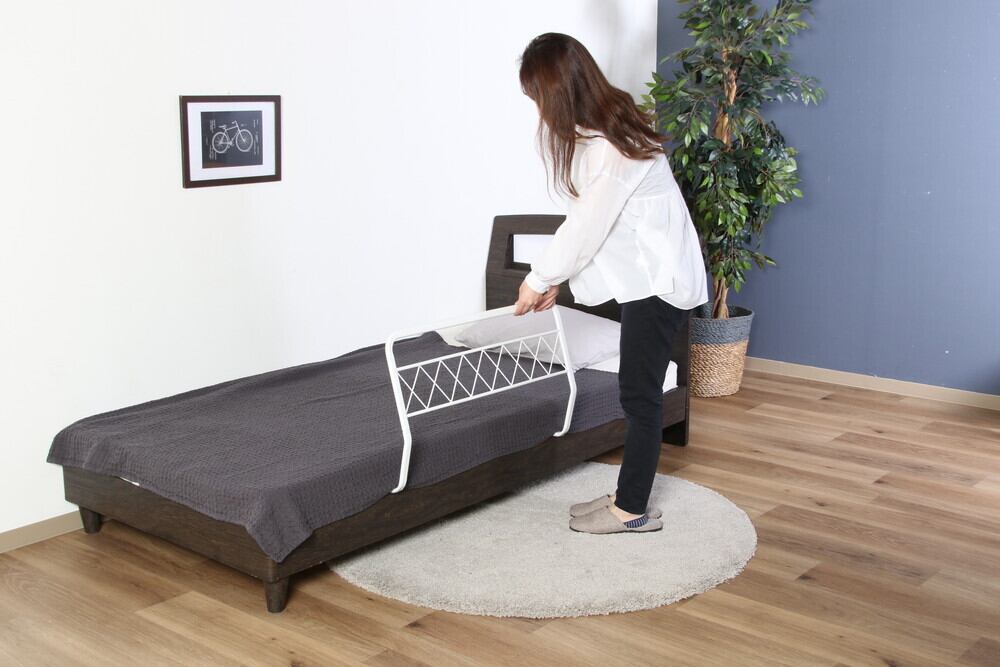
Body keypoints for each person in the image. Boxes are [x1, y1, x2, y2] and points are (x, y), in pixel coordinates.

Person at [513, 33, 709, 534]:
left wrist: (539, 277)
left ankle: (630, 510)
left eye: (537, 98)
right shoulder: (606, 134)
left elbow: (586, 227)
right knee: (636, 391)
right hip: (649, 280)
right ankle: (628, 494)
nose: (538, 111)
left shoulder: (611, 148)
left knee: (640, 395)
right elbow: (591, 222)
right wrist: (556, 280)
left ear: (558, 92)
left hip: (658, 284)